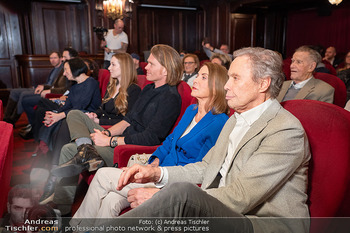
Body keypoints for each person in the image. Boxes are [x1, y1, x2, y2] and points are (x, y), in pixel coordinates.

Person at [98, 47, 310, 233]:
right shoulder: (236, 119)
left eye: (235, 78)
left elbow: (242, 196)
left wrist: (162, 198)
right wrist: (157, 172)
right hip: (226, 210)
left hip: (259, 223)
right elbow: (206, 166)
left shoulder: (284, 129)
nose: (226, 86)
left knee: (181, 193)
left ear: (263, 84)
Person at [69, 62, 230, 227]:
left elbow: (201, 169)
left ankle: (75, 228)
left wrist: (157, 177)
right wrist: (153, 161)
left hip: (174, 183)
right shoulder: (192, 111)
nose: (195, 80)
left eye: (204, 77)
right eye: (198, 76)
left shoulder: (219, 122)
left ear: (217, 85)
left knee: (102, 175)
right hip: (158, 172)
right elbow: (169, 141)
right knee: (111, 200)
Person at [49, 44, 183, 216]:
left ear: (165, 70)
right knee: (74, 114)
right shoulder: (149, 88)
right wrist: (108, 133)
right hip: (120, 139)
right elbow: (128, 120)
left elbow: (152, 138)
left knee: (68, 149)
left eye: (151, 64)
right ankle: (85, 152)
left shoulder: (170, 98)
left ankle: (62, 208)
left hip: (129, 150)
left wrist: (111, 141)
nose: (145, 67)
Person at [39, 53, 141, 204]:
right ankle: (85, 151)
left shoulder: (134, 90)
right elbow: (101, 108)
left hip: (111, 129)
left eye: (113, 64)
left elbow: (126, 120)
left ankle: (58, 175)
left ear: (124, 67)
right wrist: (95, 115)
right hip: (101, 124)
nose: (109, 68)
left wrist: (100, 119)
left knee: (72, 116)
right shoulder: (112, 86)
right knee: (72, 116)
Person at [37, 57, 101, 151]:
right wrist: (54, 116)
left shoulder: (91, 83)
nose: (64, 73)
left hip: (87, 115)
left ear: (75, 68)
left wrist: (59, 116)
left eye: (66, 69)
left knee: (63, 121)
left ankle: (54, 156)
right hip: (75, 112)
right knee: (50, 115)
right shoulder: (74, 86)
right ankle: (48, 152)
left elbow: (80, 106)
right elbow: (67, 105)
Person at [4, 51, 65, 126]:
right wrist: (39, 86)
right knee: (14, 91)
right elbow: (48, 83)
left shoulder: (62, 70)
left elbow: (55, 86)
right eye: (51, 58)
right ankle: (6, 119)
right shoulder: (54, 69)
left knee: (23, 94)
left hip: (48, 91)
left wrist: (43, 87)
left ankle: (12, 120)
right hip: (43, 88)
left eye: (55, 58)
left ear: (61, 59)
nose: (52, 60)